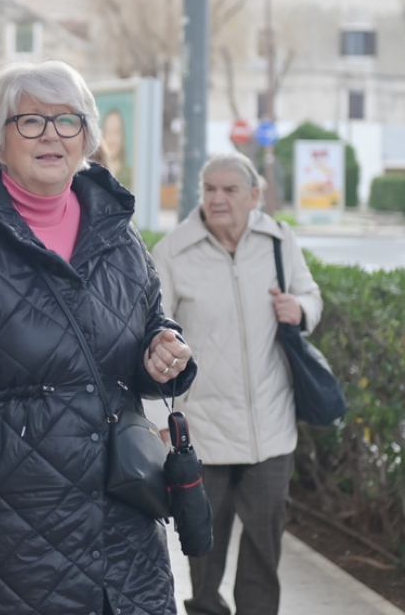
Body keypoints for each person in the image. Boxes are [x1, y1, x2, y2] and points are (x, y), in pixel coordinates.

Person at [0, 61, 197, 615]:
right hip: (3, 542)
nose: (51, 135)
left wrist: (163, 351)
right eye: (30, 121)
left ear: (87, 137)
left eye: (68, 121)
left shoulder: (119, 235)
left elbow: (145, 328)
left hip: (119, 540)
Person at [151, 152, 323, 615]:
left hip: (271, 429)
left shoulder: (278, 239)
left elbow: (311, 294)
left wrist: (300, 309)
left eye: (229, 189)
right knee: (204, 553)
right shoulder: (172, 252)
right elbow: (149, 341)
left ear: (254, 195)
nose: (218, 198)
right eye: (209, 189)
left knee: (264, 552)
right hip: (203, 431)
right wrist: (159, 421)